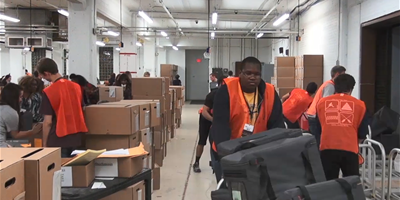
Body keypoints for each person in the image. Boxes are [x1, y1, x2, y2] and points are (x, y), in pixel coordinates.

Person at [210, 57, 285, 182]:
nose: (252, 77)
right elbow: (220, 126)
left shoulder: (270, 92)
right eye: (248, 73)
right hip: (228, 150)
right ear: (240, 73)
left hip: (257, 152)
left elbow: (276, 126)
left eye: (257, 74)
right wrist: (228, 155)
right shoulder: (226, 91)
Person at [316, 74, 369, 180]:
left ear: (335, 86)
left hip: (327, 148)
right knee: (351, 184)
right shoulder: (360, 105)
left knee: (327, 184)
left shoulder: (322, 103)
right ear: (351, 88)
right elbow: (362, 132)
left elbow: (319, 128)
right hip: (349, 149)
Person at [36, 58, 88, 157]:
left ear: (47, 73)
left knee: (60, 171)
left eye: (43, 76)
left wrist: (45, 145)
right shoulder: (76, 87)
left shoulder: (49, 91)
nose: (44, 79)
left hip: (58, 139)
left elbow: (48, 122)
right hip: (76, 137)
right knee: (74, 171)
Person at [193, 76, 227, 173]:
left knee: (216, 142)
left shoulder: (230, 95)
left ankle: (215, 162)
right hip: (206, 118)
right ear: (220, 84)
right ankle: (196, 162)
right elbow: (204, 111)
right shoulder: (212, 94)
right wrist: (213, 120)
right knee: (202, 141)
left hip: (217, 120)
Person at [307, 65, 346, 145]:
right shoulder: (330, 86)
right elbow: (326, 103)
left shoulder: (328, 84)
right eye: (343, 75)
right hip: (316, 116)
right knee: (319, 142)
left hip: (314, 114)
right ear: (337, 74)